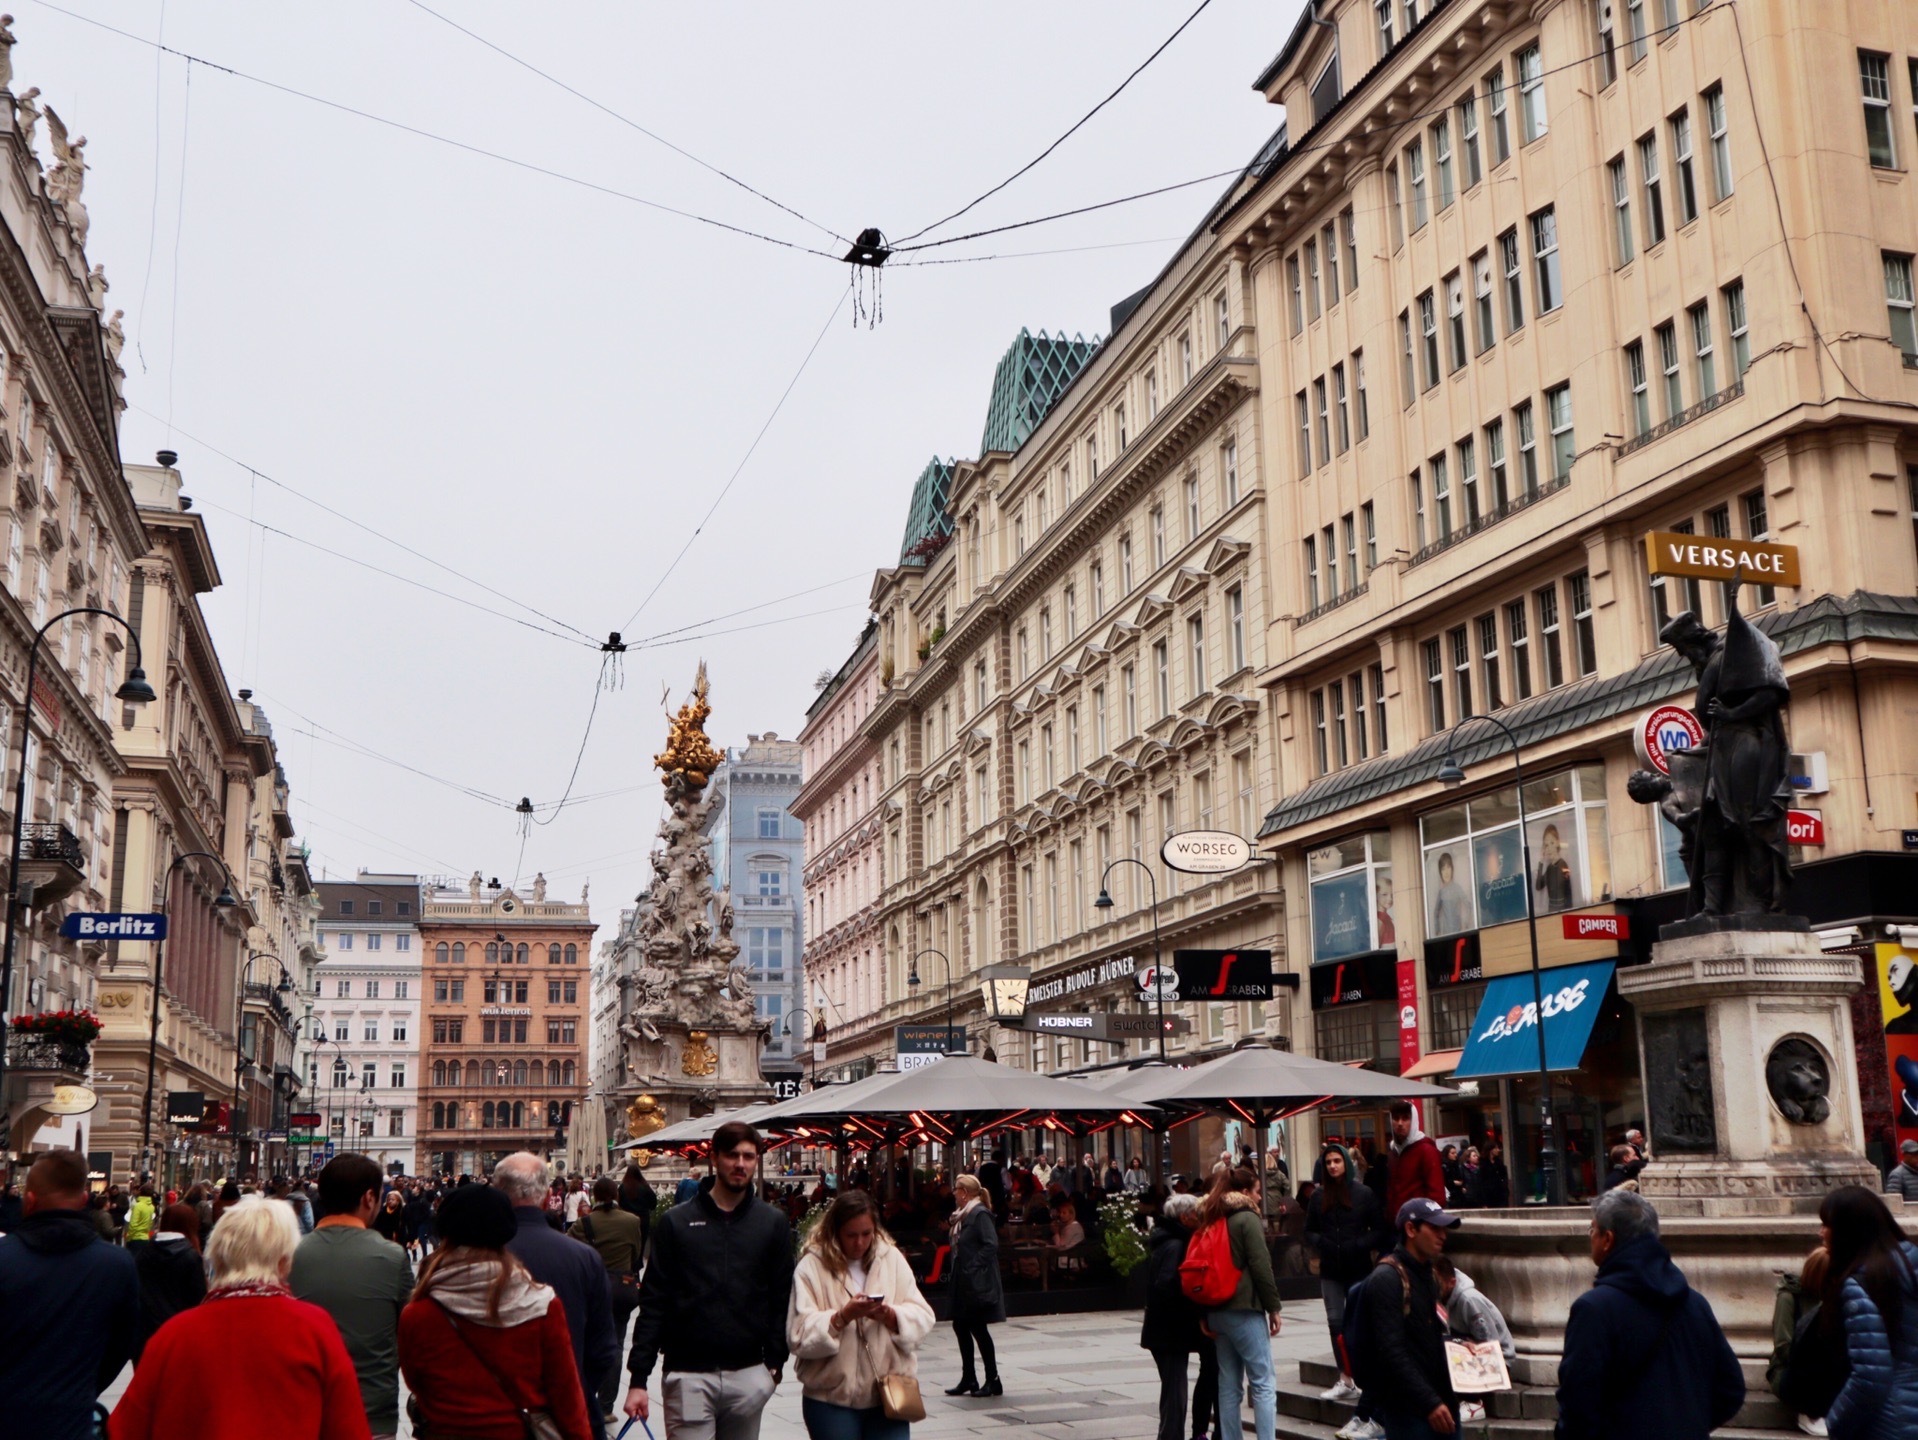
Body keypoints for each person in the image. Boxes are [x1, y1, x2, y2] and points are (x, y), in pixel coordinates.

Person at [109, 1195, 371, 1440]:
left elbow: (125, 1429)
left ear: (219, 1256)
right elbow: (349, 1430)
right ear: (284, 1261)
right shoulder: (314, 1328)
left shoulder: (174, 1334)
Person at [625, 1122, 796, 1436]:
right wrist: (638, 1379)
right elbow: (654, 1300)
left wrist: (773, 1366)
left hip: (748, 1372)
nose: (741, 1164)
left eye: (748, 1156)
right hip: (687, 1374)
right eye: (732, 1155)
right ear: (714, 1158)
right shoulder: (676, 1222)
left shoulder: (771, 1223)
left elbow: (782, 1296)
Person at [398, 1184, 596, 1440]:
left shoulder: (418, 1313)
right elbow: (567, 1396)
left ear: (445, 1234)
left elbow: (416, 1383)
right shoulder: (542, 1305)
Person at [1555, 1189, 1744, 1440]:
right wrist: (1688, 1424)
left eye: (1592, 1230)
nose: (1590, 1238)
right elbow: (1731, 1388)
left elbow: (1577, 1403)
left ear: (1607, 1239)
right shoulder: (1695, 1303)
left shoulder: (1594, 1309)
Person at [0, 1150, 140, 1440]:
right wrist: (83, 1387)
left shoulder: (5, 1258)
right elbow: (122, 1344)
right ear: (84, 1200)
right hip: (71, 1420)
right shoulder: (116, 1265)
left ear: (30, 1200)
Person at [787, 1189, 936, 1440]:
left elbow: (923, 1316)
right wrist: (841, 1318)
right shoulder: (811, 1267)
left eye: (866, 1234)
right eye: (851, 1235)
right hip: (830, 1399)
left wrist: (891, 1316)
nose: (859, 1243)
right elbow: (797, 1335)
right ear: (835, 1232)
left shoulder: (891, 1258)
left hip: (888, 1394)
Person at [290, 1154, 415, 1440]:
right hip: (370, 1413)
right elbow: (409, 1334)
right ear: (369, 1198)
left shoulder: (290, 1255)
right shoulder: (392, 1257)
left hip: (305, 1408)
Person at [496, 1152, 620, 1419]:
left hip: (496, 1413)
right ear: (546, 1196)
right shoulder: (584, 1257)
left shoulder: (480, 1255)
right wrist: (579, 1393)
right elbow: (604, 1348)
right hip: (568, 1408)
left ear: (498, 1193)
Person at [1820, 1184, 1918, 1439]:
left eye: (1827, 1225)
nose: (1822, 1233)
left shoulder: (1860, 1284)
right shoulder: (1910, 1263)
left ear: (1847, 1231)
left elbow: (1870, 1377)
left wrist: (1835, 1422)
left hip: (1892, 1422)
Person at [1357, 1198, 1459, 1440]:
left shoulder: (1430, 1274)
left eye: (1444, 1228)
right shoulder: (1387, 1278)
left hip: (1444, 1407)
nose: (1442, 1235)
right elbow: (1392, 1353)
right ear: (1411, 1230)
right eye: (1434, 1228)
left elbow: (1434, 1336)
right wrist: (1430, 1402)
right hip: (1412, 1413)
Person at [1198, 1164, 1282, 1440]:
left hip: (1216, 1310)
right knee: (1263, 1382)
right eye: (1257, 1192)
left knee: (1228, 1384)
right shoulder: (1247, 1218)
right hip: (1244, 1309)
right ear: (1245, 1192)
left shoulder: (1213, 1216)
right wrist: (1274, 1307)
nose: (1260, 1198)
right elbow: (1261, 1266)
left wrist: (1204, 1313)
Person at [1304, 1144, 1384, 1406]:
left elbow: (1378, 1230)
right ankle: (1345, 1377)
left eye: (1337, 1161)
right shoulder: (1318, 1196)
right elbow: (1309, 1231)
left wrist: (1359, 1244)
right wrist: (1323, 1243)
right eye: (1328, 1162)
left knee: (1361, 1323)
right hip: (1331, 1271)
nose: (1332, 1166)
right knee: (1336, 1324)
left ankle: (1367, 1379)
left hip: (1359, 1268)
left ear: (1345, 1164)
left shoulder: (1363, 1194)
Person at [570, 1175, 648, 1421]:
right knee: (615, 1344)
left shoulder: (584, 1223)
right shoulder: (631, 1221)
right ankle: (605, 1406)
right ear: (616, 1195)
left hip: (592, 1290)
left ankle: (584, 1398)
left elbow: (570, 1250)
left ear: (594, 1196)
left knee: (585, 1342)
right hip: (621, 1289)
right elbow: (637, 1254)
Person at [1140, 1191, 1217, 1440]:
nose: (1201, 1218)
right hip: (1169, 1333)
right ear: (1185, 1218)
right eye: (1197, 1214)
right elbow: (1167, 1286)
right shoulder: (1176, 1245)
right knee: (1175, 1394)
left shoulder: (1167, 1241)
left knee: (1173, 1391)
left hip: (1164, 1332)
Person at [1432, 1254, 1513, 1424]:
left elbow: (1490, 1343)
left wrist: (1464, 1344)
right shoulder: (1442, 1298)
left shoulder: (1469, 1300)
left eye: (1436, 1284)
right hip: (1470, 1349)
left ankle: (1474, 1403)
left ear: (1451, 1283)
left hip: (1497, 1362)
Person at [947, 1173, 1006, 1397]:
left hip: (976, 1281)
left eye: (956, 1189)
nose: (953, 1193)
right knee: (961, 1326)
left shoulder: (979, 1213)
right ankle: (969, 1378)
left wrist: (972, 1266)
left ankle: (993, 1379)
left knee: (978, 1328)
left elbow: (991, 1244)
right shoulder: (963, 1215)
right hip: (963, 1280)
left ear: (964, 1192)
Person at [1770, 1246, 1839, 1436]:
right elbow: (1783, 1346)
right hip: (1789, 1370)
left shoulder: (1832, 1294)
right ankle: (1809, 1414)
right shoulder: (1789, 1296)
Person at [134, 1201, 207, 1356]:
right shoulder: (191, 1257)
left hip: (145, 1334)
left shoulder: (143, 1254)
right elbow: (198, 1299)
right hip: (178, 1333)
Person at [1385, 1103, 1444, 1220]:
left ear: (1414, 1121)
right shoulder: (1394, 1153)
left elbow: (1437, 1196)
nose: (1400, 1123)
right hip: (1396, 1226)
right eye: (1396, 1119)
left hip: (1417, 1225)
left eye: (1405, 1118)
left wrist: (1422, 1224)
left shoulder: (1426, 1151)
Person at [125, 1180, 157, 1248]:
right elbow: (149, 1223)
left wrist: (128, 1237)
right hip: (145, 1237)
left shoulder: (137, 1206)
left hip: (135, 1238)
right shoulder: (151, 1207)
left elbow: (133, 1224)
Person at [1477, 1145, 1510, 1209]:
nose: (1498, 1150)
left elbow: (1504, 1175)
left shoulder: (1499, 1162)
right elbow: (1481, 1182)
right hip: (1489, 1195)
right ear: (1491, 1150)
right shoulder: (1483, 1163)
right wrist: (1483, 1202)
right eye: (1496, 1148)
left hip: (1500, 1193)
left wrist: (1504, 1186)